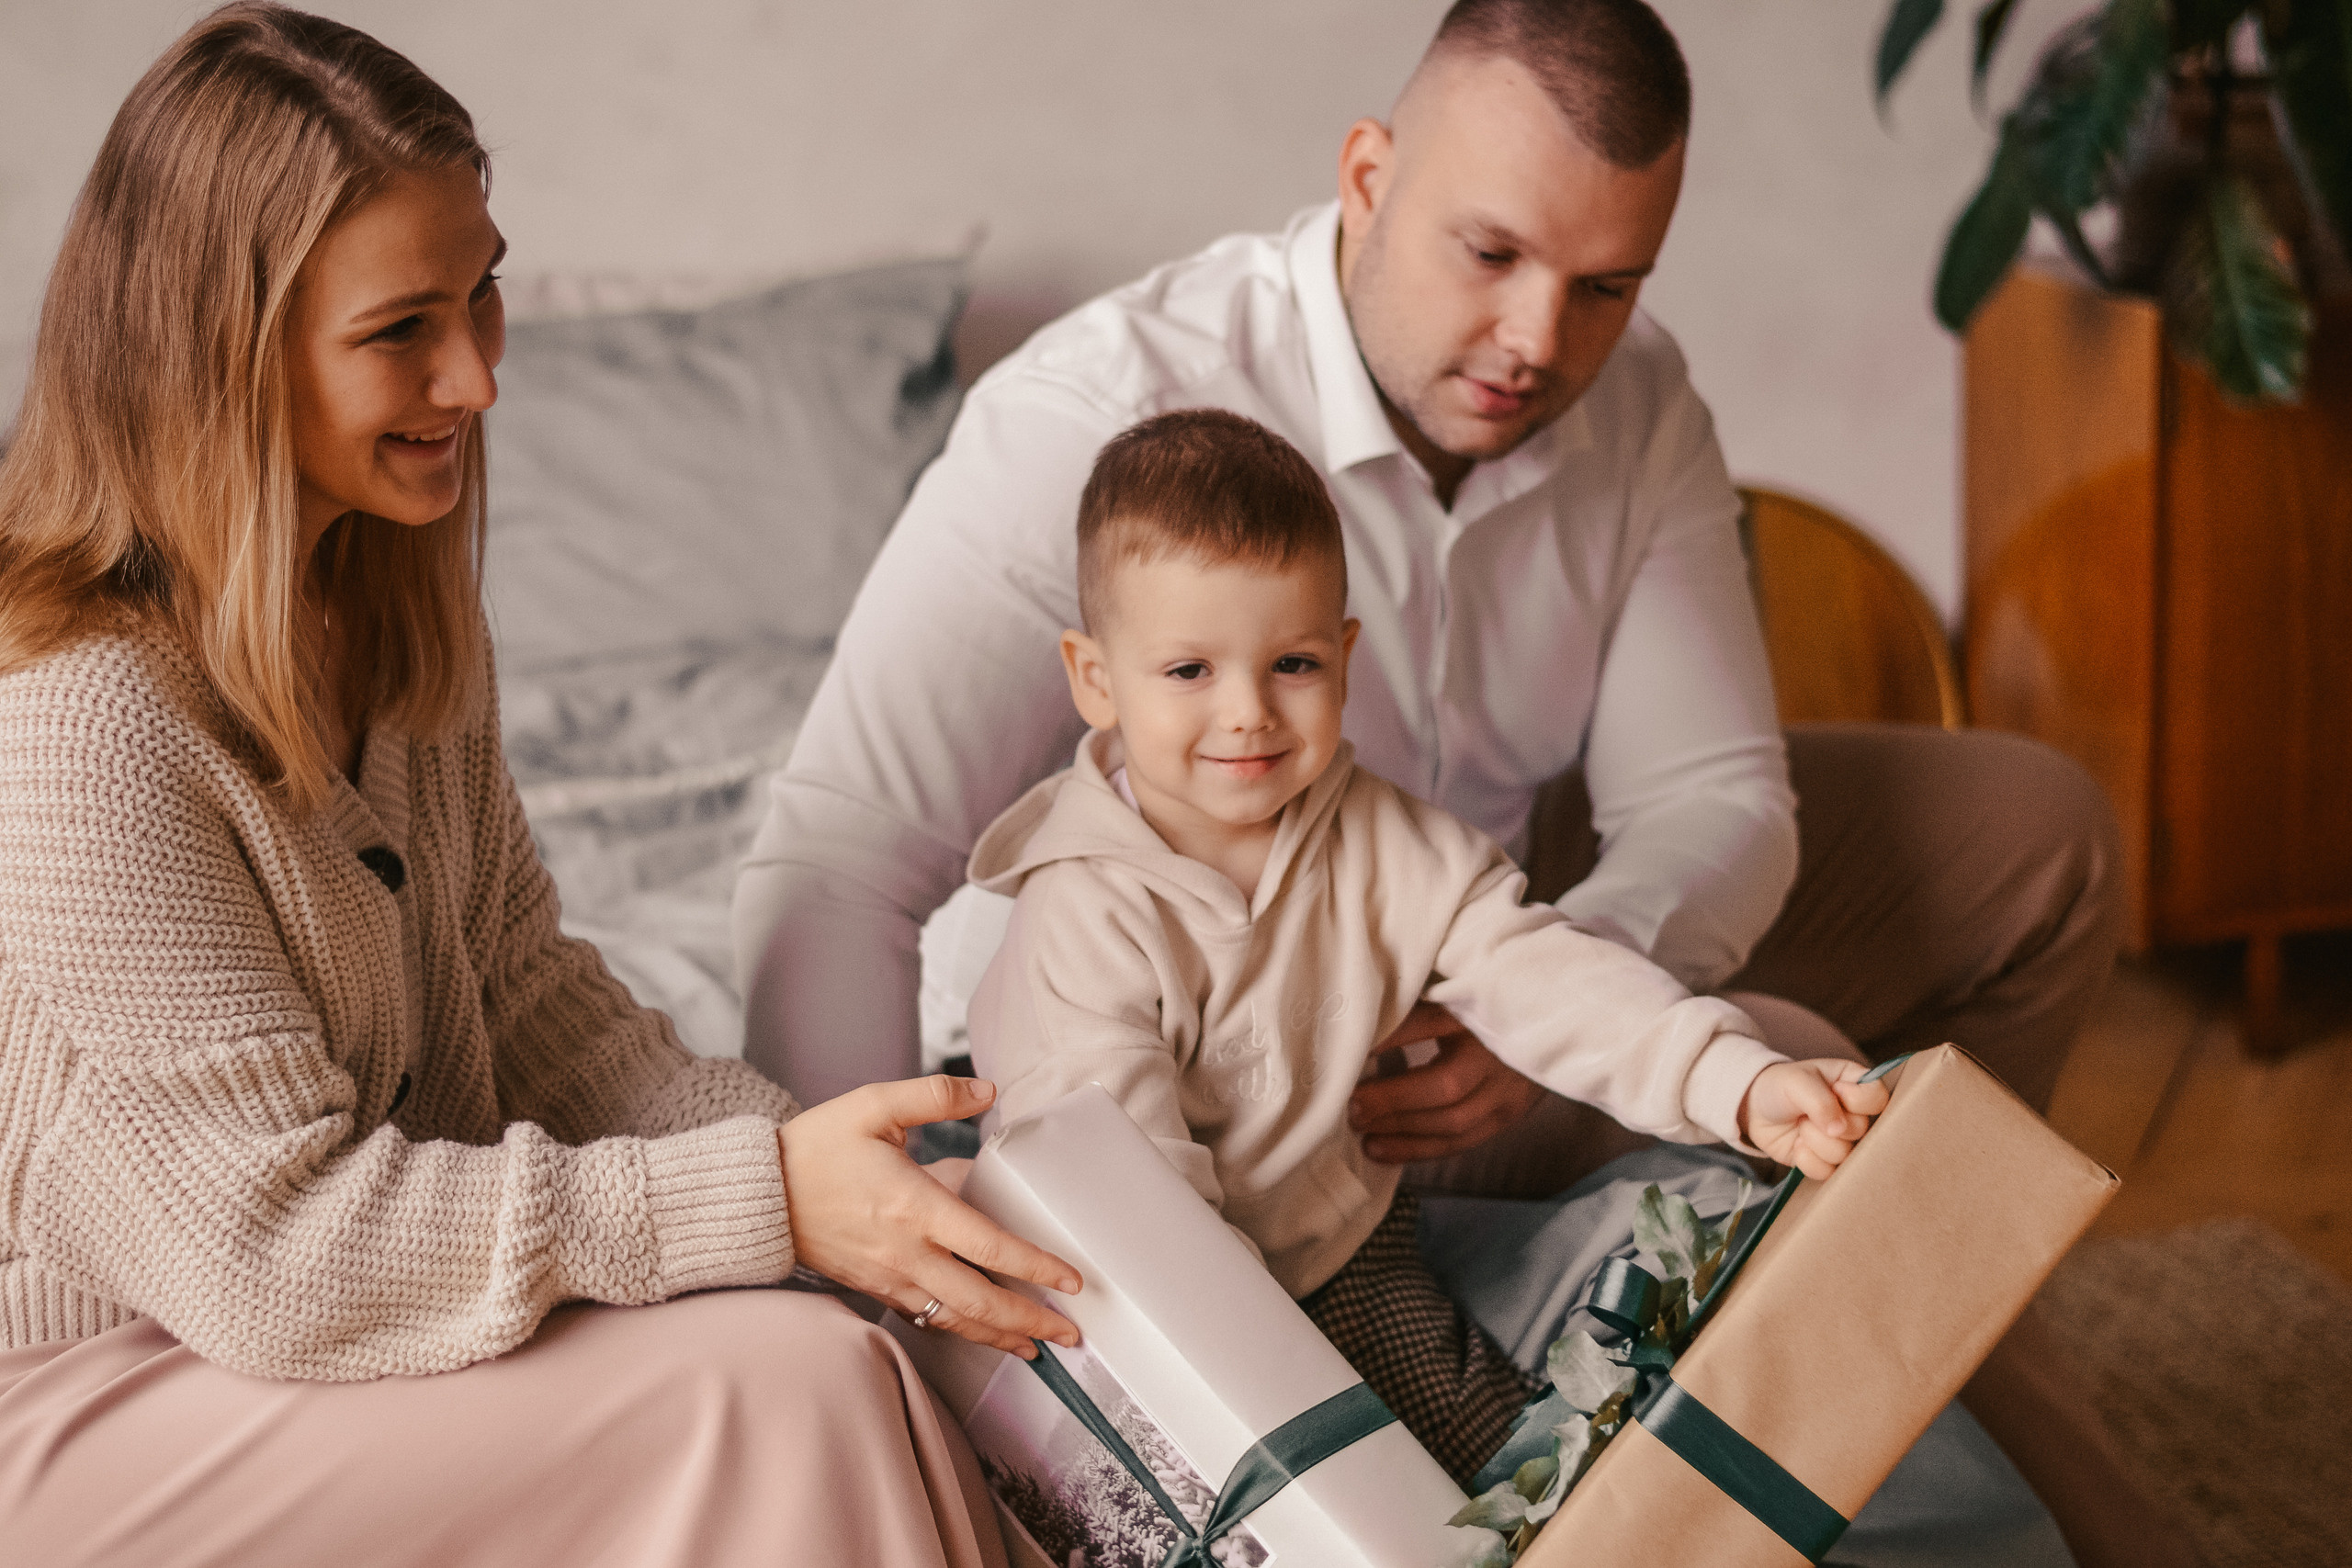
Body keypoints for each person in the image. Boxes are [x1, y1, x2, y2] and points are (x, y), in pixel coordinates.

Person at [732, 4, 2194, 1564]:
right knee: (1806, 1071)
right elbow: (839, 863)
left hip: (1457, 937)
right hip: (1172, 1061)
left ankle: (1937, 1353)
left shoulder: (1633, 409)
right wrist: (877, 1286)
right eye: (1490, 255)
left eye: (1606, 285)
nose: (1539, 343)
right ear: (1367, 176)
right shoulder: (1095, 420)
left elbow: (1712, 801)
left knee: (2020, 856)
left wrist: (1533, 1019)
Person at [0, 9, 1080, 1565]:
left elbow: (526, 1001)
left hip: (281, 1341)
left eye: (483, 294)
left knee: (850, 1338)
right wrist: (755, 1200)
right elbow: (271, 1250)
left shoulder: (390, 622)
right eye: (400, 333)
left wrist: (847, 1181)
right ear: (218, 353)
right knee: (778, 1387)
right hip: (96, 1397)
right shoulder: (75, 721)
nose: (477, 379)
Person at [962, 408, 1888, 1483]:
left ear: (1345, 657)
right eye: (1188, 672)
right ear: (1095, 679)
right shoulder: (1086, 915)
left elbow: (1552, 980)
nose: (1249, 713)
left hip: (1342, 1254)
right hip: (1143, 1313)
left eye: (1292, 663)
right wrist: (1262, 1392)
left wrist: (1737, 1081)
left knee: (1504, 1471)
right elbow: (1134, 1212)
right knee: (1293, 1507)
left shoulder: (1381, 838)